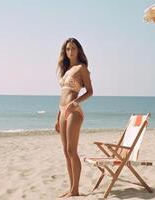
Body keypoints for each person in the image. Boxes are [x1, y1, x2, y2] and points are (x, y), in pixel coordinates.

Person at [55, 38, 93, 197]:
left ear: (78, 51)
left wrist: (75, 103)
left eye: (73, 48)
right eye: (68, 49)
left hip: (74, 111)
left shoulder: (81, 68)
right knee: (65, 151)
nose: (70, 51)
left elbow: (90, 91)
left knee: (72, 150)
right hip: (62, 111)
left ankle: (75, 189)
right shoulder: (66, 70)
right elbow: (62, 95)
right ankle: (71, 188)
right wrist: (58, 117)